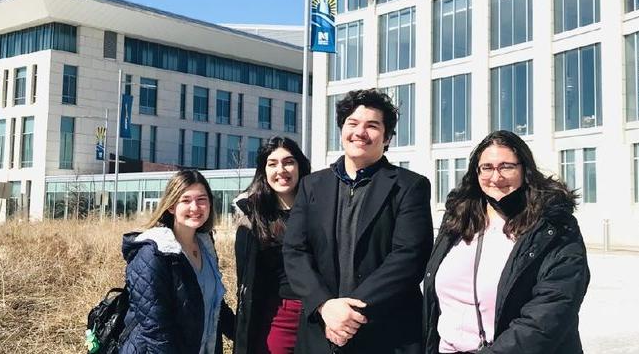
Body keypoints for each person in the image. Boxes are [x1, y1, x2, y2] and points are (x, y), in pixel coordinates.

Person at [283, 89, 434, 354]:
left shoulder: (410, 186)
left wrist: (348, 314)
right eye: (352, 124)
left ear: (387, 138)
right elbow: (295, 251)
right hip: (321, 331)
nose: (360, 132)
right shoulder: (312, 186)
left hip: (386, 333)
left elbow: (409, 257)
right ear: (341, 130)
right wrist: (324, 306)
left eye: (372, 126)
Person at [422, 130, 590, 354]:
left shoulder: (553, 225)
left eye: (506, 166)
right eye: (487, 167)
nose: (496, 177)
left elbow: (552, 309)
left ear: (525, 169)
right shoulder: (458, 218)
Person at [120, 170, 234, 354]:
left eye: (202, 199)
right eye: (186, 200)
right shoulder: (153, 253)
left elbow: (213, 304)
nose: (195, 207)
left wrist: (246, 335)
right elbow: (156, 330)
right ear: (171, 206)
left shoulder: (205, 245)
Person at [233, 137, 311, 354]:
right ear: (263, 171)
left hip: (319, 313)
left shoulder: (320, 208)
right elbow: (245, 283)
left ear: (300, 166)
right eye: (272, 163)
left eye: (288, 162)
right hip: (278, 315)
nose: (281, 170)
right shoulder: (253, 216)